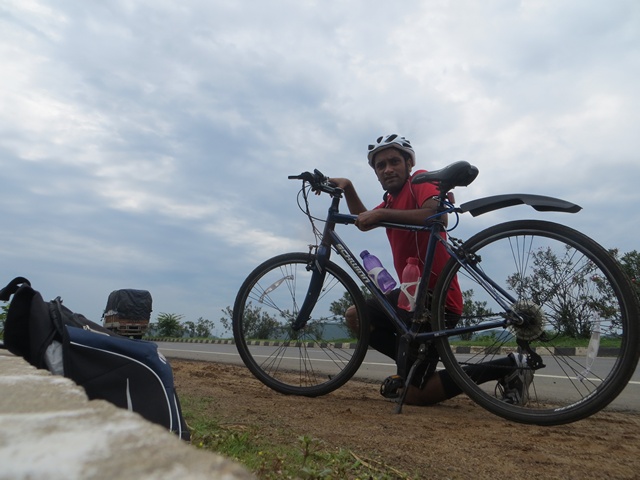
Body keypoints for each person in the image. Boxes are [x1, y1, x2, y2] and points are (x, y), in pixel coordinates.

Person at [328, 134, 533, 406]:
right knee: (356, 316)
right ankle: (412, 365)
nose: (387, 169)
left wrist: (380, 215)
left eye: (394, 161)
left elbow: (435, 216)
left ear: (409, 163)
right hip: (409, 296)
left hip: (437, 301)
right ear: (376, 173)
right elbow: (364, 221)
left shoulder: (419, 181)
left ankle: (511, 366)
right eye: (380, 166)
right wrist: (349, 188)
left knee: (415, 396)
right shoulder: (390, 201)